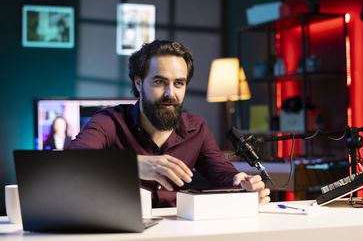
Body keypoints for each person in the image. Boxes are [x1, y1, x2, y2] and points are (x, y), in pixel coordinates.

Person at [68, 40, 270, 207]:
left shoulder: (197, 129)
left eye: (179, 83)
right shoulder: (109, 121)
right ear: (138, 83)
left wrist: (243, 185)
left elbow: (223, 174)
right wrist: (133, 165)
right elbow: (70, 165)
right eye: (159, 82)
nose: (170, 93)